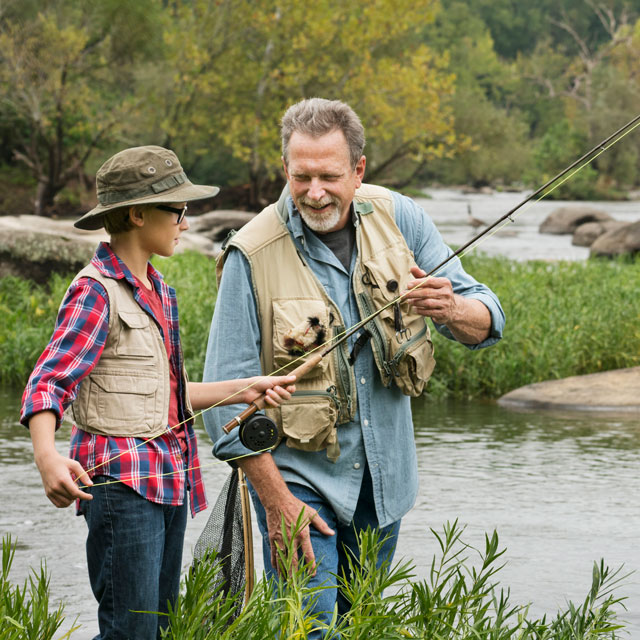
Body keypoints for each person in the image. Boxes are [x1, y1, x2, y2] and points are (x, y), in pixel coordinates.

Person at [203, 99, 505, 632]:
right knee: (311, 627)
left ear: (359, 171)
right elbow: (221, 408)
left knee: (360, 624)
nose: (314, 192)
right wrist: (276, 502)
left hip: (386, 485)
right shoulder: (249, 252)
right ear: (285, 170)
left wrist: (451, 308)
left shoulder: (401, 216)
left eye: (329, 176)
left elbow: (488, 319)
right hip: (296, 483)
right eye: (302, 177)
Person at [20, 145, 295, 640]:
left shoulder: (160, 290)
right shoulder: (95, 291)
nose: (186, 222)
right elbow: (48, 382)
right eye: (178, 209)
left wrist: (246, 387)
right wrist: (46, 457)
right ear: (137, 214)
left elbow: (164, 393)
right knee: (131, 633)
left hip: (169, 483)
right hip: (121, 491)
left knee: (160, 630)